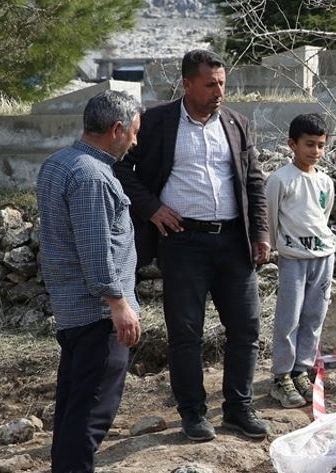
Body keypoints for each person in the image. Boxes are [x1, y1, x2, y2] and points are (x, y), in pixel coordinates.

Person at [114, 48, 271, 442]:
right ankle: (193, 413)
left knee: (246, 328)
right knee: (185, 332)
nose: (219, 91)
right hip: (183, 242)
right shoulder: (155, 122)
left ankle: (238, 408)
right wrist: (152, 209)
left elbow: (254, 181)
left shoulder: (236, 123)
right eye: (210, 84)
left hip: (234, 242)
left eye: (222, 83)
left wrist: (260, 233)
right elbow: (119, 168)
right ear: (187, 84)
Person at [35, 90, 143, 473]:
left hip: (73, 309)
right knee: (92, 407)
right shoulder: (92, 177)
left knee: (74, 403)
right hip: (97, 312)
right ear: (116, 130)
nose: (134, 143)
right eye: (133, 134)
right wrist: (118, 303)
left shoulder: (60, 163)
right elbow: (96, 249)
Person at [265, 113, 336, 408]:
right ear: (292, 144)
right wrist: (272, 247)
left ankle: (300, 370)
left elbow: (324, 216)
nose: (315, 151)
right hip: (293, 258)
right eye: (309, 144)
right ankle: (281, 375)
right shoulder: (280, 180)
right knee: (289, 318)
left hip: (322, 257)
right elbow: (271, 219)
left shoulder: (325, 182)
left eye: (321, 145)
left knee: (314, 315)